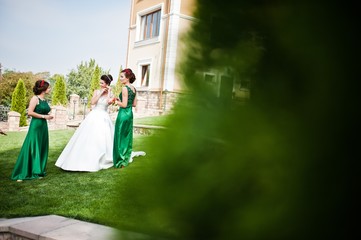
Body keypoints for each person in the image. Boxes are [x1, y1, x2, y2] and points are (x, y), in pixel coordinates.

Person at [55, 74, 115, 172]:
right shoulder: (97, 91)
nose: (100, 84)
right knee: (88, 137)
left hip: (104, 116)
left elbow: (108, 102)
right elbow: (92, 102)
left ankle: (102, 157)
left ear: (107, 84)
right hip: (94, 116)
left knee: (102, 138)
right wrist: (100, 93)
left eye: (102, 83)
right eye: (100, 82)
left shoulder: (111, 94)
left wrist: (109, 92)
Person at [11, 80, 54, 182]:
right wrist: (44, 116)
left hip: (43, 126)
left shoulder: (44, 100)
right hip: (36, 125)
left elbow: (45, 110)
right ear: (43, 89)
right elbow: (30, 112)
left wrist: (49, 116)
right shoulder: (35, 98)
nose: (50, 89)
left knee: (41, 147)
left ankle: (37, 170)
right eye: (48, 88)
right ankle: (23, 172)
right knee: (32, 146)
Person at [113, 68, 145, 168]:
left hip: (123, 114)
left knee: (119, 136)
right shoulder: (134, 89)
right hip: (129, 114)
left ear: (127, 78)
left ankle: (120, 161)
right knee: (126, 137)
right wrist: (120, 100)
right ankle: (125, 157)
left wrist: (116, 102)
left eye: (122, 77)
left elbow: (124, 104)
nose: (120, 79)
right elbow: (134, 104)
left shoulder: (124, 88)